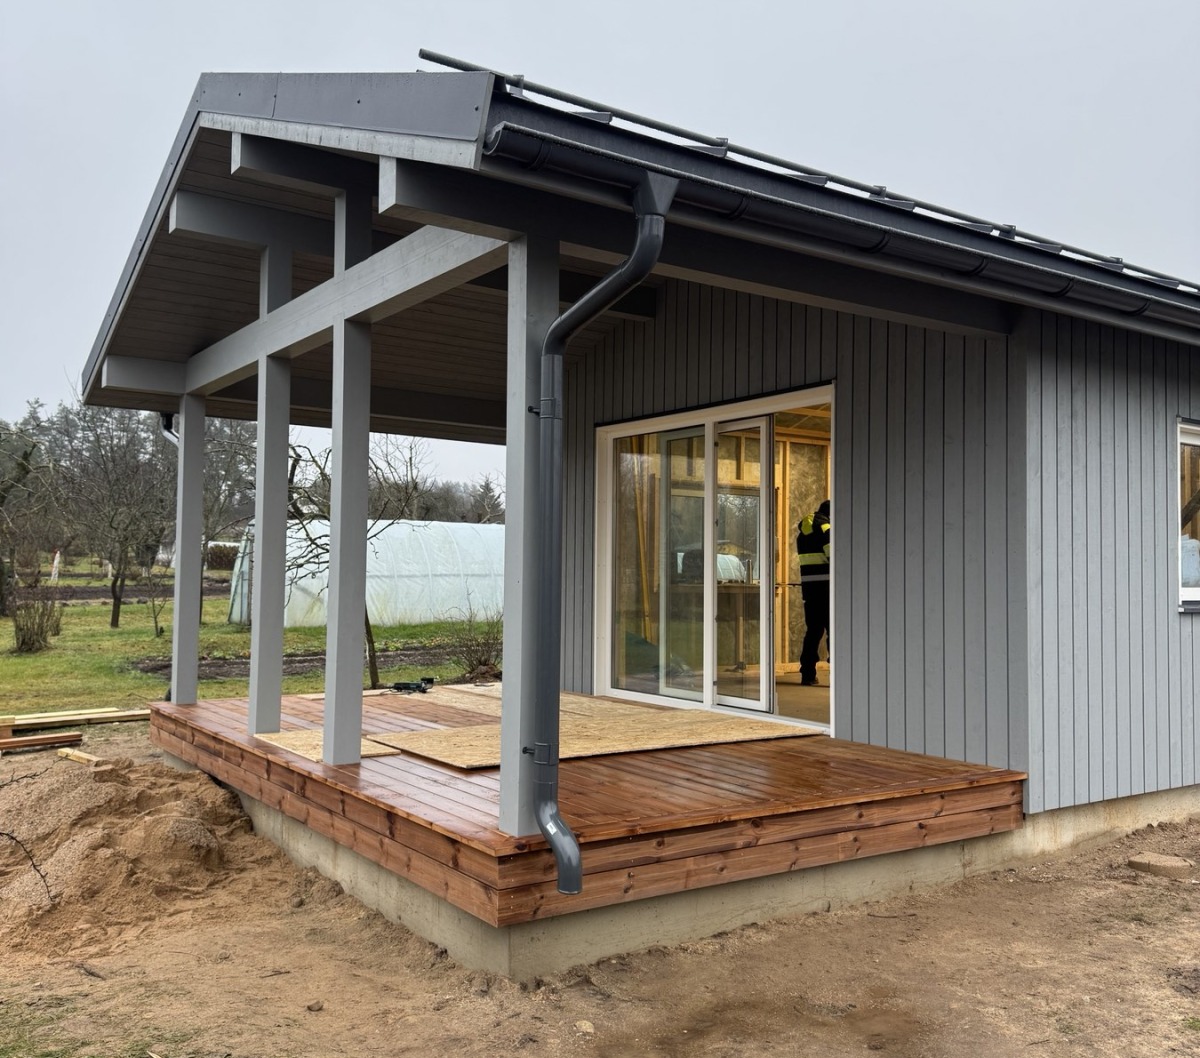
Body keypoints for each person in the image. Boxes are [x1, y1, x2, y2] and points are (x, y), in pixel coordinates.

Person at [795, 499, 831, 686]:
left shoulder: (803, 534)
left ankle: (807, 673)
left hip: (810, 590)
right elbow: (835, 559)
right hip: (828, 589)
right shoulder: (826, 530)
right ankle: (840, 674)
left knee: (814, 631)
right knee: (834, 631)